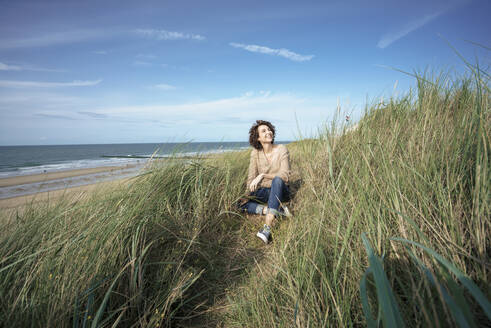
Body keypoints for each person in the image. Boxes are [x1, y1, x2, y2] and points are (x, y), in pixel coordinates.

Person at [240, 120, 291, 244]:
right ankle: (277, 211)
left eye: (269, 130)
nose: (268, 132)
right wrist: (247, 196)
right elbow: (251, 179)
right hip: (265, 192)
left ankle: (267, 228)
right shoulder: (255, 153)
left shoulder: (281, 149)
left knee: (277, 180)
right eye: (264, 131)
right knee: (240, 203)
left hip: (281, 190)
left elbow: (285, 176)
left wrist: (263, 175)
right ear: (258, 138)